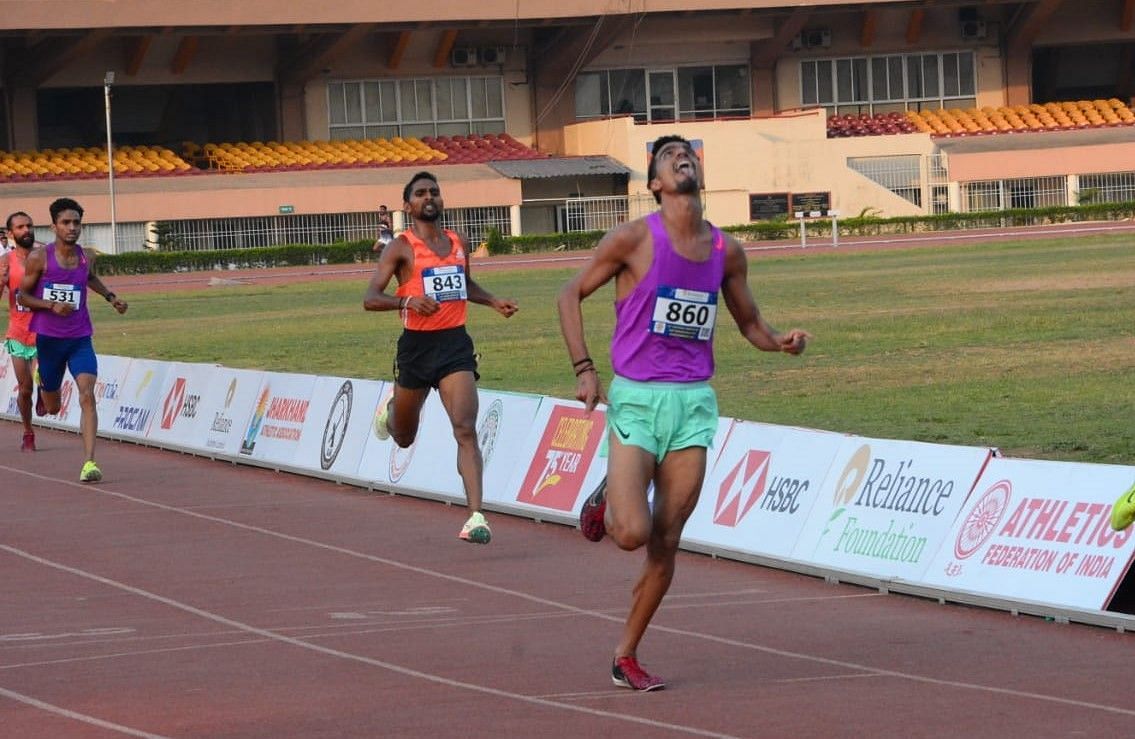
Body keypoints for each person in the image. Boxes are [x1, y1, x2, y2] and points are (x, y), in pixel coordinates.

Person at [557, 134, 811, 691]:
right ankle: (610, 496)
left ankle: (625, 654)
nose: (682, 157)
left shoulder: (727, 251)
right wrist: (584, 368)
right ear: (654, 184)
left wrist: (780, 341)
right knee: (630, 534)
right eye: (669, 157)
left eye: (688, 153)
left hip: (694, 403)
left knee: (666, 540)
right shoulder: (631, 239)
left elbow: (749, 323)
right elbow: (568, 294)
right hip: (637, 399)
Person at [363, 172, 518, 543]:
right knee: (402, 436)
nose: (428, 197)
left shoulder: (457, 241)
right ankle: (390, 411)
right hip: (416, 348)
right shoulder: (400, 247)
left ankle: (476, 517)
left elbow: (462, 284)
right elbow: (370, 297)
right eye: (420, 193)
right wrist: (406, 300)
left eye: (434, 191)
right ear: (408, 206)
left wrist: (493, 300)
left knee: (465, 428)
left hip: (454, 347)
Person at [18, 197, 128, 482]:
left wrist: (111, 297)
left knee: (87, 395)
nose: (72, 228)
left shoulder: (85, 255)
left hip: (80, 338)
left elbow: (89, 277)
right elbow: (23, 296)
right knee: (52, 407)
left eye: (76, 222)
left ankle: (89, 463)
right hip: (49, 340)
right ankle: (43, 377)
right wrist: (50, 305)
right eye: (66, 222)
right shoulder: (39, 257)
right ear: (54, 225)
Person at [0, 212, 40, 451]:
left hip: (44, 330)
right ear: (11, 233)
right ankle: (28, 431)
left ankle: (45, 393)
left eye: (30, 225)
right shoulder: (5, 261)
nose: (26, 230)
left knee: (44, 377)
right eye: (21, 226)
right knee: (25, 389)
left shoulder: (44, 256)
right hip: (18, 332)